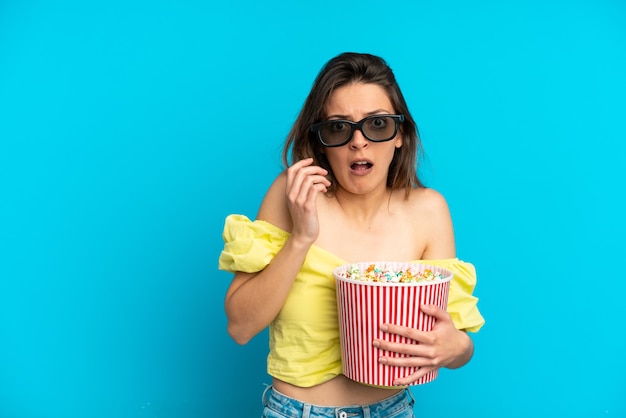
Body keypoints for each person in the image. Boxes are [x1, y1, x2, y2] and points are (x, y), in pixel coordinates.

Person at [219, 52, 484, 418]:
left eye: (377, 124)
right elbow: (240, 327)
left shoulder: (429, 211)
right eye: (339, 128)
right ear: (322, 140)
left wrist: (456, 348)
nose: (358, 142)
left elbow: (458, 343)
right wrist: (301, 238)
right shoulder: (291, 195)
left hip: (391, 409)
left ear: (400, 135)